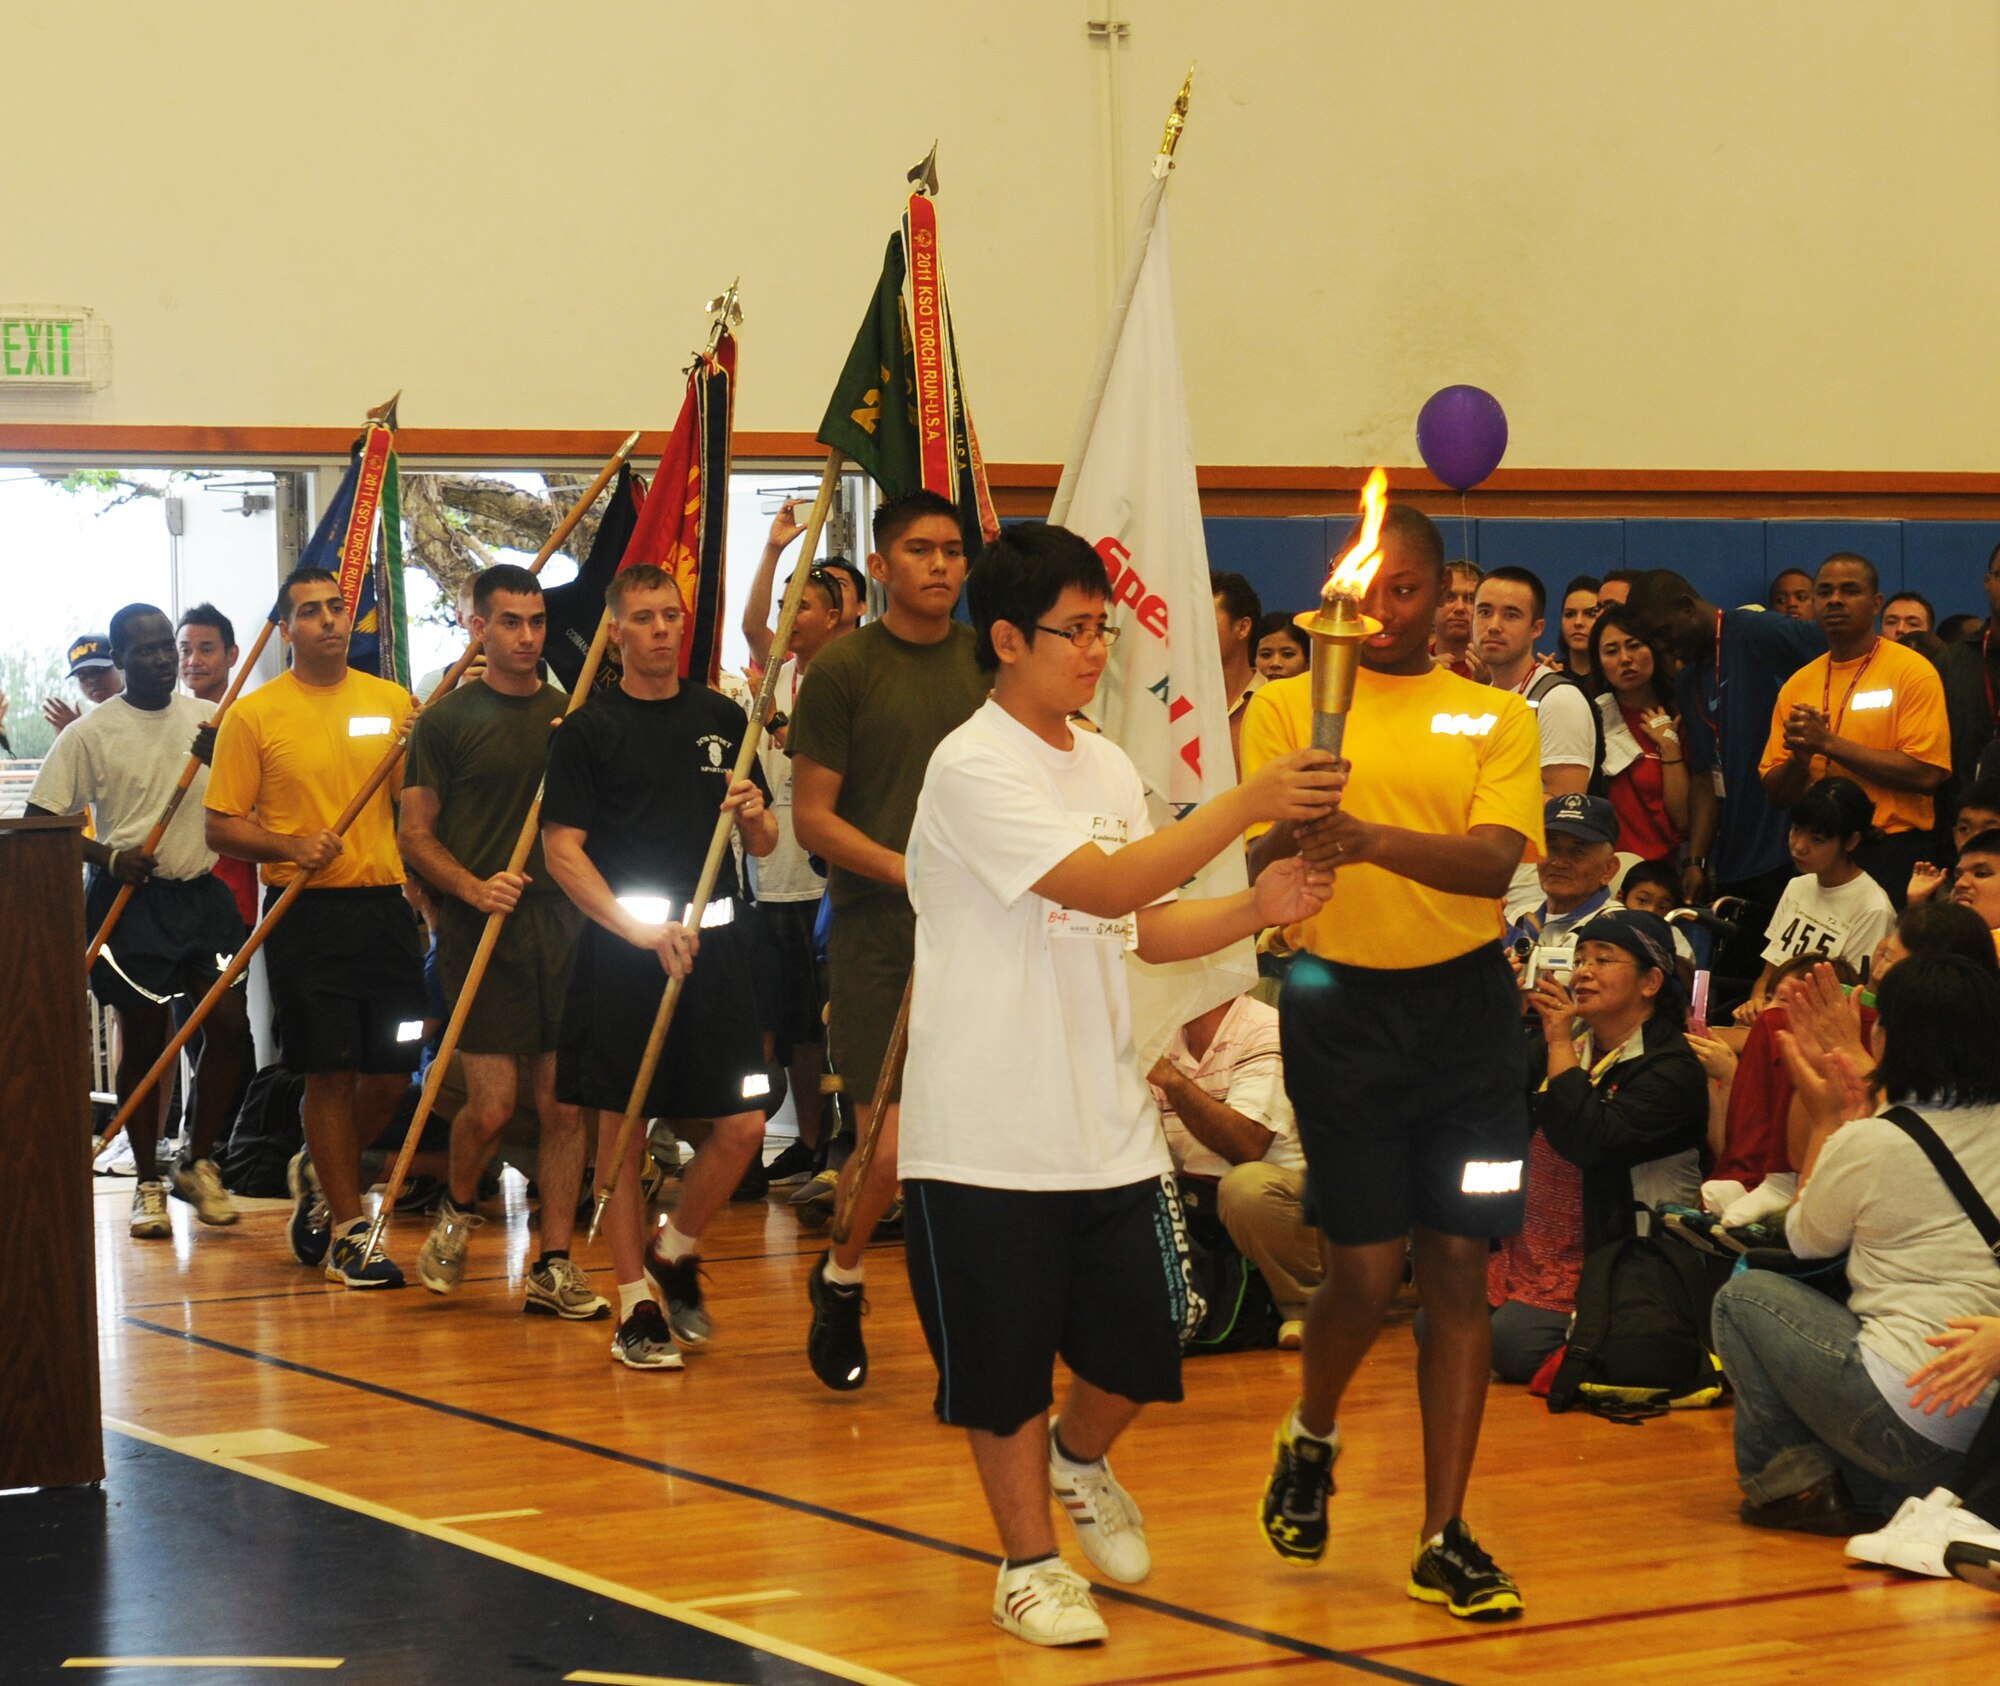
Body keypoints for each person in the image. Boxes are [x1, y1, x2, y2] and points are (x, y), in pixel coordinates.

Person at [898, 522, 1337, 1645]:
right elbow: (1096, 887)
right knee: (998, 1372)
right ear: (1004, 639)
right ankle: (1029, 1565)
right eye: (1073, 631)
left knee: (1148, 1337)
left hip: (1103, 1121)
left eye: (1104, 628)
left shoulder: (1101, 761)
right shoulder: (971, 764)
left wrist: (1254, 905)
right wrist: (1240, 805)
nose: (1095, 650)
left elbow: (1143, 925)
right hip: (985, 1130)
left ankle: (1078, 1457)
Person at [1244, 502, 1545, 1622]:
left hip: (1466, 1018)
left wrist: (1369, 837)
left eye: (1406, 592)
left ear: (1441, 598)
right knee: (1366, 1275)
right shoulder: (1284, 703)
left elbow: (1486, 865)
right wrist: (1297, 813)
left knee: (1457, 1268)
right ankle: (1311, 1433)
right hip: (1338, 1009)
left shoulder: (1489, 719)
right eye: (1366, 592)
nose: (1380, 612)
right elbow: (1255, 846)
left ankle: (1442, 1532)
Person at [541, 564, 777, 1369]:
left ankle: (678, 1249)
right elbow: (561, 852)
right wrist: (641, 933)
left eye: (671, 615)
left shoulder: (724, 717)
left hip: (718, 953)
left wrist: (753, 814)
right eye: (643, 617)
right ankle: (635, 1302)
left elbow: (771, 840)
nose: (663, 629)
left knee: (745, 1124)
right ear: (616, 632)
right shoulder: (586, 730)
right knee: (622, 1133)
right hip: (628, 956)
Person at [789, 488, 990, 1392]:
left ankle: (964, 1349)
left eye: (952, 550)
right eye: (920, 549)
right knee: (892, 1154)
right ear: (880, 565)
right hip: (879, 937)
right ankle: (841, 1278)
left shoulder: (993, 662)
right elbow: (813, 821)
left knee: (971, 1156)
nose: (941, 565)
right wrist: (913, 872)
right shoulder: (843, 671)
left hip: (985, 940)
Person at [1711, 955, 2000, 1533]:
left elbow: (1805, 1241)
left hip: (1912, 1410)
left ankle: (1790, 1487)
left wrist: (1828, 1122)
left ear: (1892, 1037)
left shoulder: (1872, 1139)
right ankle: (1892, 1495)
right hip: (1986, 1436)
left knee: (1744, 1298)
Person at [204, 566, 428, 1289]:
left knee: (392, 1074)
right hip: (305, 913)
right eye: (311, 611)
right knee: (328, 1069)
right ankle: (348, 1226)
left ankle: (318, 1165)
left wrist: (432, 744)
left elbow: (416, 813)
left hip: (386, 911)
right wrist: (290, 846)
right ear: (287, 628)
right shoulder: (255, 714)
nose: (329, 620)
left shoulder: (393, 705)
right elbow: (221, 825)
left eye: (337, 607)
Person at [399, 564, 603, 1320]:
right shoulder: (447, 721)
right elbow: (414, 835)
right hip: (480, 927)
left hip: (564, 925)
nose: (527, 636)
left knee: (562, 1108)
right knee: (489, 1107)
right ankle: (457, 1207)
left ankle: (553, 1262)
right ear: (477, 627)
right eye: (510, 622)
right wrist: (471, 887)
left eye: (538, 621)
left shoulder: (572, 716)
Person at [27, 602, 250, 1239]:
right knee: (146, 1038)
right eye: (145, 650)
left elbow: (251, 796)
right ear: (121, 659)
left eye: (166, 648)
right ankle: (147, 1179)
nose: (161, 660)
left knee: (228, 1026)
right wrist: (110, 855)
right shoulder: (90, 734)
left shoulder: (212, 721)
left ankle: (197, 1159)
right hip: (131, 903)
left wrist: (222, 760)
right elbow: (46, 821)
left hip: (203, 897)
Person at [1494, 911, 1705, 1381]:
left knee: (1509, 1345)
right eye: (1579, 959)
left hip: (1615, 1258)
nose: (1583, 971)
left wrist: (1556, 1041)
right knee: (1437, 1324)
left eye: (1603, 960)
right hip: (1532, 1244)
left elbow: (1589, 1142)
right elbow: (1488, 1090)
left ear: (1651, 982)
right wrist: (1502, 1011)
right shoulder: (1578, 1041)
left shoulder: (1671, 1068)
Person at [1625, 568, 1825, 972]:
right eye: (1654, 641)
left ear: (1686, 606)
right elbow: (1702, 775)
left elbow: (1838, 657)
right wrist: (1696, 860)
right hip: (1733, 858)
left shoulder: (1756, 630)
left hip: (1788, 850)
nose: (1663, 647)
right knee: (1734, 993)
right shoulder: (1688, 679)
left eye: (1664, 633)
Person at [1759, 554, 1949, 904]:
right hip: (1821, 851)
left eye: (1849, 591)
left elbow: (1925, 774)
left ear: (1876, 603)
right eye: (1825, 591)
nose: (1835, 600)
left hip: (1892, 848)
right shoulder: (1798, 684)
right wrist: (1800, 762)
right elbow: (1777, 793)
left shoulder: (1912, 672)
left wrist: (1829, 743)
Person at [742, 564, 845, 1187]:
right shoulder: (771, 679)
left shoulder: (848, 680)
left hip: (824, 884)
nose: (788, 617)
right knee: (764, 1025)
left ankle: (815, 1142)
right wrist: (775, 548)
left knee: (814, 1030)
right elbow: (754, 625)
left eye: (801, 606)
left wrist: (781, 727)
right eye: (785, 603)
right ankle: (747, 1147)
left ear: (833, 617)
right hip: (763, 879)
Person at [1146, 991, 1318, 1348]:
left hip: (1295, 1194)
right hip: (1205, 1199)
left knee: (1246, 1188)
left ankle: (1305, 1308)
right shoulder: (1164, 1036)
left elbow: (1247, 1145)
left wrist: (1173, 1080)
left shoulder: (1264, 1026)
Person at [1476, 566, 1598, 922]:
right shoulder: (1483, 698)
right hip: (1484, 879)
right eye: (1484, 611)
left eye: (1510, 615)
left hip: (1531, 894)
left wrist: (1470, 797)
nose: (1494, 625)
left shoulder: (1559, 700)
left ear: (1536, 629)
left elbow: (1566, 811)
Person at [1736, 778, 1897, 1016]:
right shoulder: (1797, 886)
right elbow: (1768, 975)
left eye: (1817, 839)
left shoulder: (1872, 908)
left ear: (1851, 841)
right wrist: (1756, 1002)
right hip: (1772, 1014)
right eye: (1797, 830)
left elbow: (1848, 1002)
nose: (1799, 846)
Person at [176, 603, 259, 929]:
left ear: (232, 654)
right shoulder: (170, 720)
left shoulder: (251, 720)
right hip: (173, 891)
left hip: (230, 890)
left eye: (206, 649)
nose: (193, 660)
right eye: (184, 650)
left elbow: (271, 812)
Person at [1587, 607, 1688, 862]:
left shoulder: (1681, 714)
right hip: (1607, 871)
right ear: (1599, 662)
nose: (1625, 658)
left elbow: (1684, 819)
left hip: (1668, 870)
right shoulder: (1592, 718)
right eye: (1611, 651)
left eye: (1634, 645)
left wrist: (1670, 747)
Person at [1212, 570, 1264, 775]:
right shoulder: (1178, 702)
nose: (1196, 634)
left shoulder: (1276, 701)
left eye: (1208, 623)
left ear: (1243, 628)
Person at [43, 633, 124, 735]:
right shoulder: (97, 718)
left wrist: (78, 733)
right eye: (82, 676)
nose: (92, 680)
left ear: (120, 665)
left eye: (100, 670)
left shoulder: (142, 706)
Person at [1432, 559, 1483, 678]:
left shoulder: (1498, 667)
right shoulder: (1412, 665)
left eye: (1470, 599)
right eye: (1449, 597)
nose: (1460, 607)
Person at [1557, 575, 1600, 681]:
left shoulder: (1616, 679)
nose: (1578, 622)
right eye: (1570, 614)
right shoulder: (1550, 675)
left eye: (1590, 614)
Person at [1253, 611, 1309, 682]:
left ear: (1307, 662)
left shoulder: (1321, 693)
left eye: (1287, 654)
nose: (1275, 664)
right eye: (1266, 655)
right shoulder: (1246, 693)